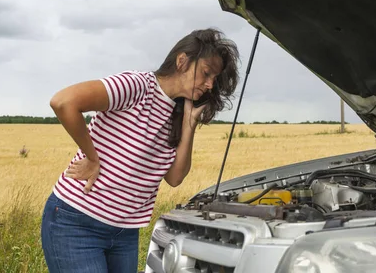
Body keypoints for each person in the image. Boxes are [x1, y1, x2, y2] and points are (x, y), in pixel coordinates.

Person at [40, 28, 240, 273]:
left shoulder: (177, 113)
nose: (210, 85)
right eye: (206, 73)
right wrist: (92, 157)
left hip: (124, 232)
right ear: (182, 61)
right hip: (77, 223)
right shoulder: (137, 86)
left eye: (214, 79)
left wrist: (189, 124)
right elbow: (63, 101)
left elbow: (175, 178)